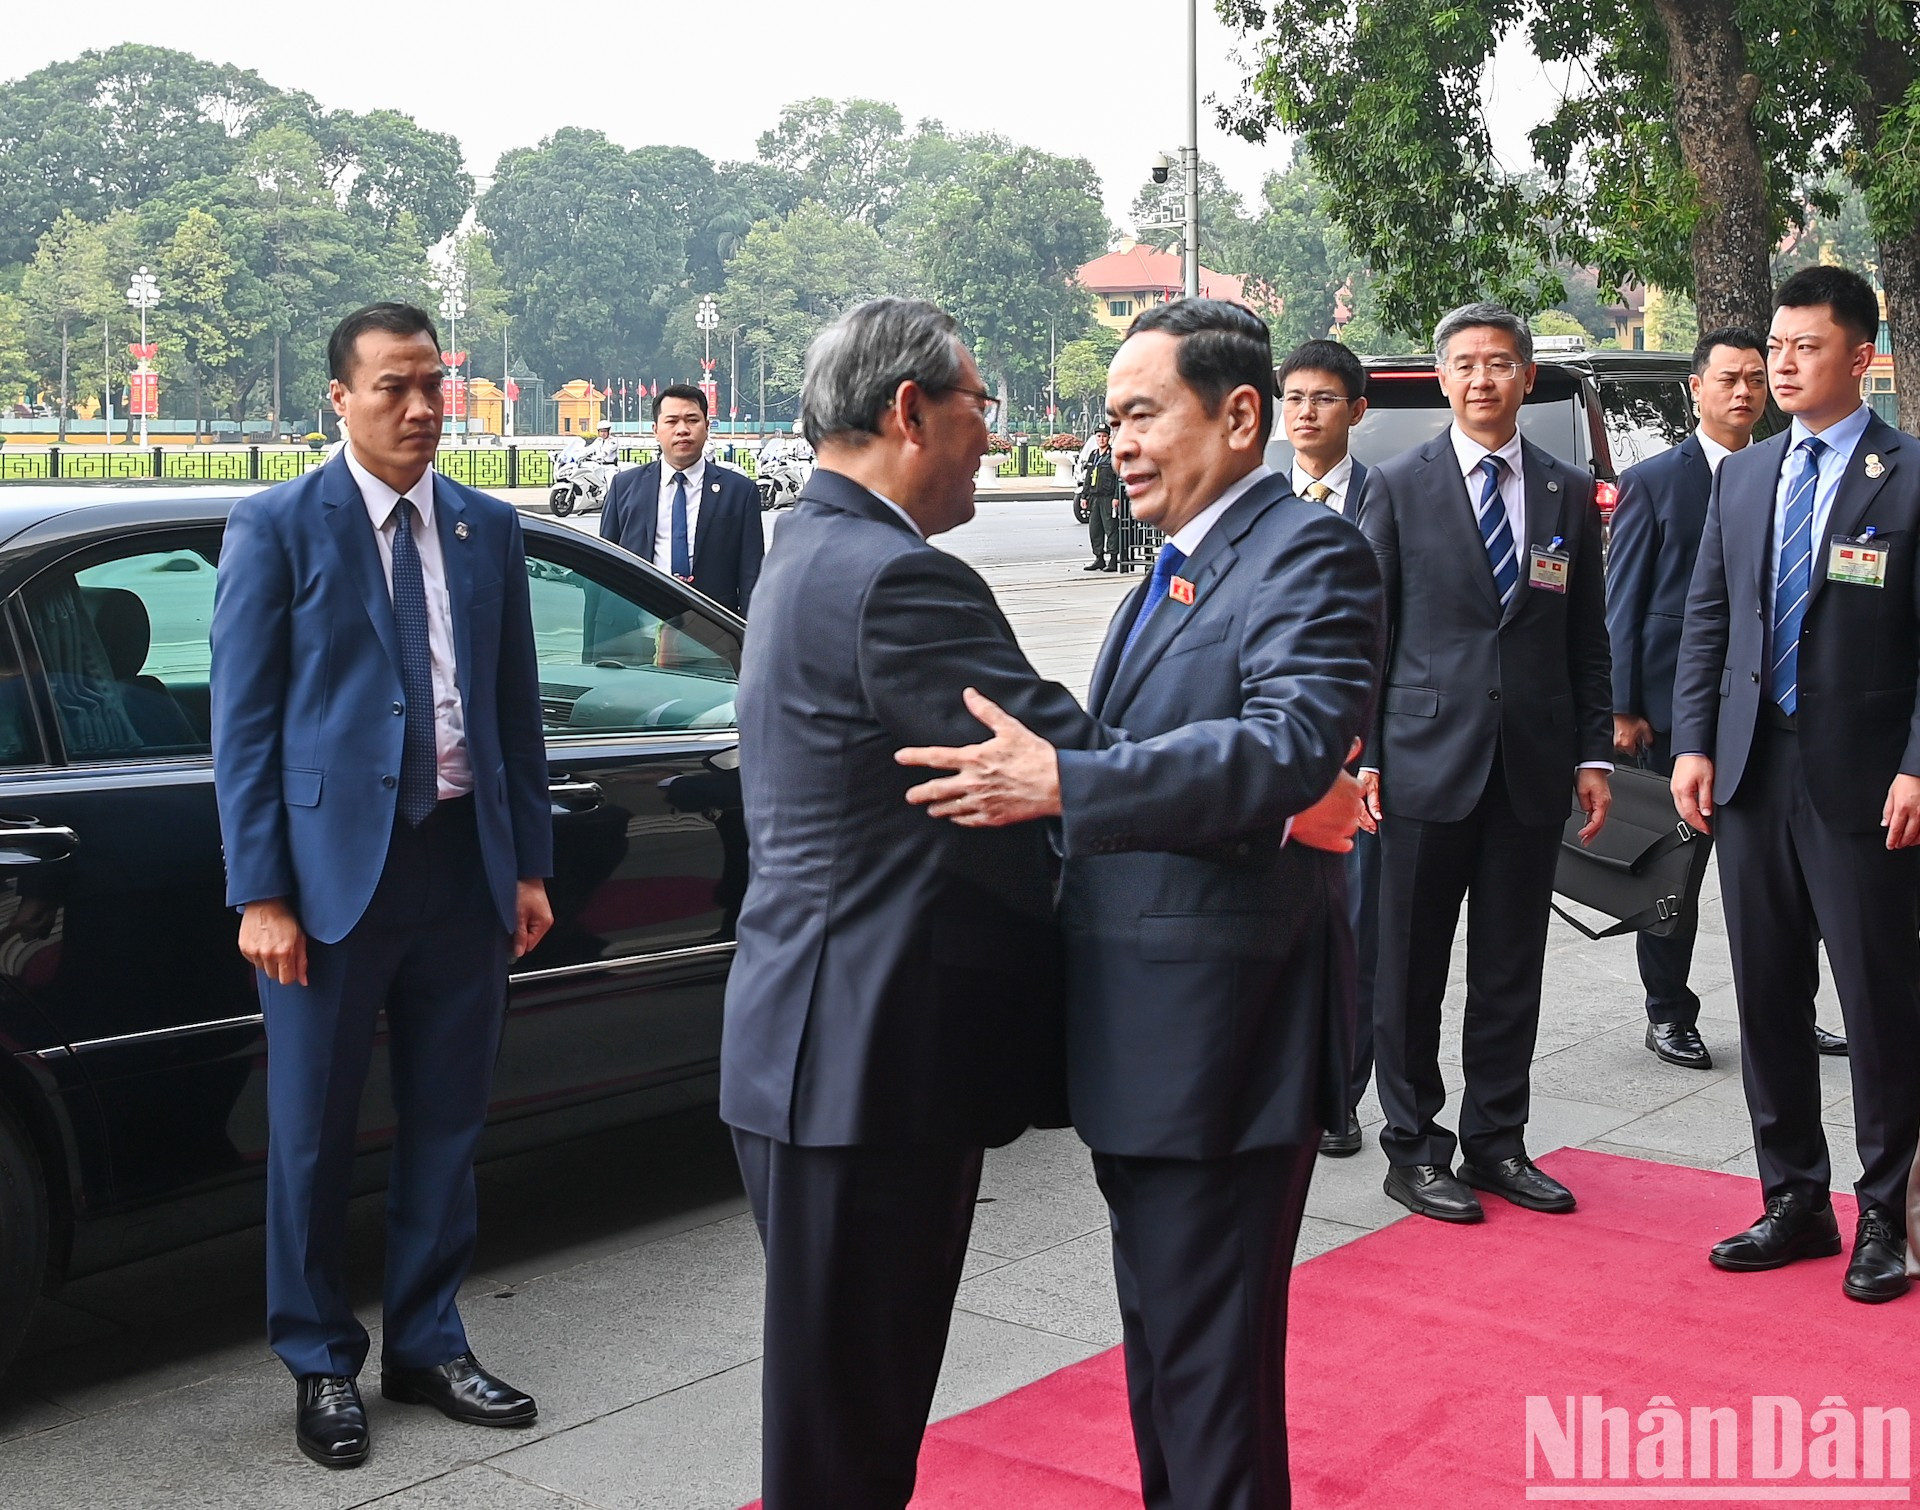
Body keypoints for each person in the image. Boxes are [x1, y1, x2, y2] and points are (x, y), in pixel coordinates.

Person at [899, 297, 1383, 1510]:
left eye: (1142, 414)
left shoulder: (1304, 553)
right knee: (1167, 1360)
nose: (1116, 441)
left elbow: (1287, 743)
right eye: (1111, 417)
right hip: (1148, 1043)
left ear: (1239, 414)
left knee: (1210, 1385)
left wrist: (1070, 781)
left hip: (1225, 1042)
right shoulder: (1170, 569)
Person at [720, 298, 1113, 1509]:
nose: (992, 433)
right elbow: (1067, 756)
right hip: (867, 1062)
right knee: (847, 1437)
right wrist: (1264, 781)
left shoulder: (810, 544)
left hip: (823, 1047)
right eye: (980, 405)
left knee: (846, 1412)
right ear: (910, 410)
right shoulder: (896, 578)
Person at [210, 303, 554, 1469]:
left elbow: (512, 710)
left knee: (448, 1121)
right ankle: (319, 1359)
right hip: (325, 883)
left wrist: (528, 864)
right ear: (341, 399)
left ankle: (427, 1341)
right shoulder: (278, 525)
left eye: (433, 385)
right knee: (310, 1134)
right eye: (393, 387)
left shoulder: (484, 526)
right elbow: (242, 726)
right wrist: (261, 891)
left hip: (462, 864)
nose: (419, 408)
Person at [1670, 265, 1920, 1304]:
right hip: (1752, 771)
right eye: (1775, 346)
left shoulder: (1908, 473)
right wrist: (1692, 743)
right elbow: (1709, 617)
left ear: (1860, 357)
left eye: (1804, 347)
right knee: (1767, 994)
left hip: (1864, 782)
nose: (1780, 364)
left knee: (1877, 1001)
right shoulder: (1745, 474)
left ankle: (1887, 1215)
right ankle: (1794, 1199)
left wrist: (1917, 763)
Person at [1357, 301, 1613, 1224]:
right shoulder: (1397, 485)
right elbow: (1369, 634)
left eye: (1499, 363)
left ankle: (1498, 1141)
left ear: (1526, 377)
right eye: (1464, 363)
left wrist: (1594, 752)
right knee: (1411, 970)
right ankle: (1413, 1147)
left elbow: (1586, 635)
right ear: (1443, 378)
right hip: (1422, 765)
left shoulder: (1565, 489)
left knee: (1510, 969)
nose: (1481, 378)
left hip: (1531, 766)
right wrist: (1364, 756)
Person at [1606, 328, 1791, 1072]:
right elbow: (1624, 600)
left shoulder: (1784, 471)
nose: (1743, 392)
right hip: (1669, 710)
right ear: (1696, 388)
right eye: (1728, 379)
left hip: (1763, 708)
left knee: (1781, 876)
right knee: (1671, 871)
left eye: (1755, 379)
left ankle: (1791, 1010)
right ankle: (1668, 1012)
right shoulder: (1655, 480)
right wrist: (1622, 705)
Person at [1279, 338, 1379, 1159]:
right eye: (1295, 398)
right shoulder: (1253, 503)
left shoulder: (1392, 502)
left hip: (1360, 756)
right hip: (1274, 752)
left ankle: (1342, 1094)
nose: (1306, 412)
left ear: (1357, 410)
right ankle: (1284, 1084)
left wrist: (1375, 754)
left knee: (1357, 932)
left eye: (1323, 398)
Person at [600, 383, 764, 615]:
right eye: (672, 421)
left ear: (707, 427)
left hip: (712, 627)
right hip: (636, 623)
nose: (682, 430)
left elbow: (751, 576)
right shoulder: (624, 487)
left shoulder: (740, 492)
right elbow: (603, 567)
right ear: (656, 430)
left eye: (692, 420)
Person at [1083, 425, 1122, 571]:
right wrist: (1084, 496)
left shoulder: (1113, 456)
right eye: (1099, 436)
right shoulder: (1093, 455)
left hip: (1108, 497)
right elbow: (1088, 477)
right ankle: (1099, 558)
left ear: (1109, 438)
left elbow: (1118, 478)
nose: (1101, 439)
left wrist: (1116, 497)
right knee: (1095, 529)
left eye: (1104, 436)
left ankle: (1113, 559)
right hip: (1094, 497)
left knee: (1110, 528)